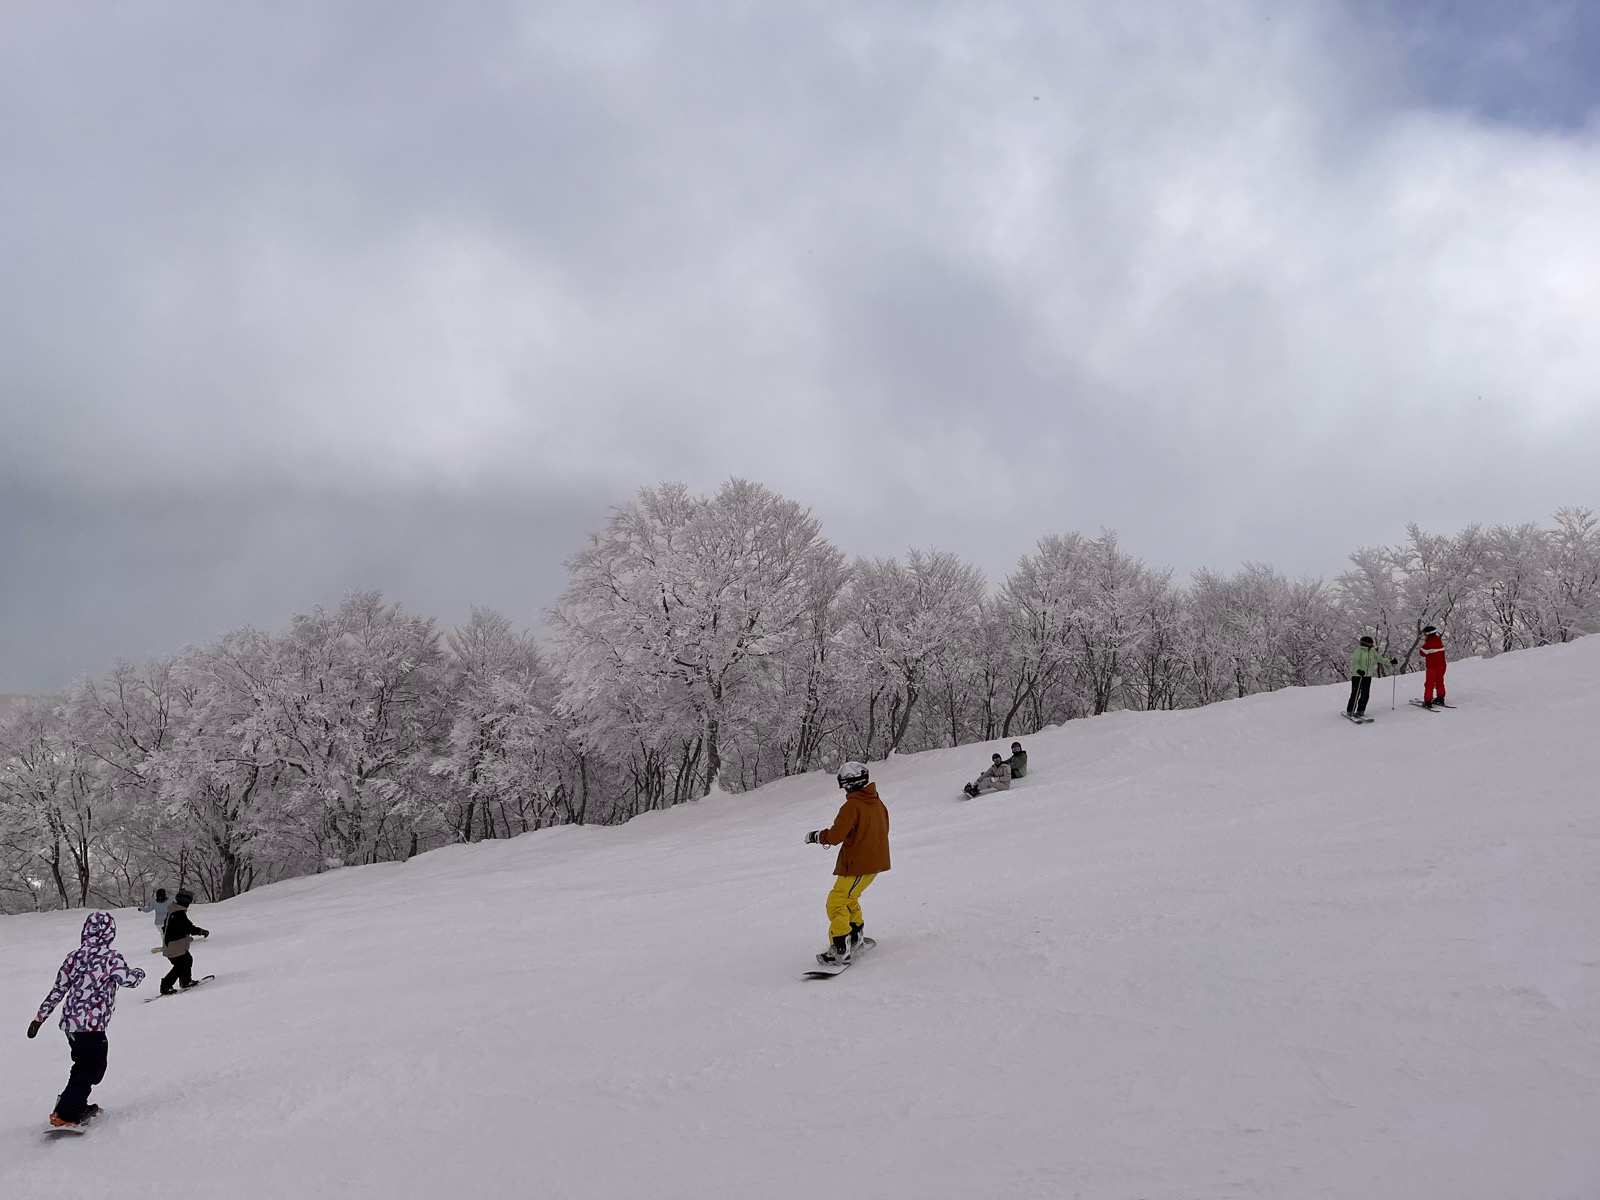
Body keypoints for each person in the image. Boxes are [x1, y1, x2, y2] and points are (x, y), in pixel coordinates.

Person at [27, 911, 145, 1130]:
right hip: (91, 1026)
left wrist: (39, 1018)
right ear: (110, 933)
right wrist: (139, 972)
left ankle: (72, 1103)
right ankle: (66, 1113)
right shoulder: (111, 957)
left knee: (82, 1064)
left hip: (71, 1025)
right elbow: (129, 980)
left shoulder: (74, 957)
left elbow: (59, 989)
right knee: (93, 1067)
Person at [805, 761, 890, 966]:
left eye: (844, 785)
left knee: (836, 901)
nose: (844, 789)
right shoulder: (876, 802)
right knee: (849, 898)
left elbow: (835, 836)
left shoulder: (852, 805)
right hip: (873, 863)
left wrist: (817, 836)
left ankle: (841, 948)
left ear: (850, 784)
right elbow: (884, 828)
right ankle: (855, 935)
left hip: (858, 865)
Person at [158, 890, 210, 995]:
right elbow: (188, 927)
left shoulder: (173, 911)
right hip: (174, 945)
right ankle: (166, 985)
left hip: (173, 945)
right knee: (181, 965)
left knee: (186, 961)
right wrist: (201, 931)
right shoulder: (178, 914)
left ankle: (185, 981)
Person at [1347, 635, 1397, 718]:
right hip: (1358, 675)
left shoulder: (1372, 651)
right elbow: (1355, 662)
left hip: (1367, 675)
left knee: (1365, 694)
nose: (1372, 645)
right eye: (1370, 644)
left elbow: (1379, 658)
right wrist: (1358, 670)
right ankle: (1350, 710)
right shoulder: (1358, 651)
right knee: (1355, 693)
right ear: (1365, 644)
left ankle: (1360, 710)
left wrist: (1390, 662)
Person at [1419, 624, 1448, 708]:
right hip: (1442, 666)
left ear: (1428, 634)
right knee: (1440, 681)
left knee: (1430, 684)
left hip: (1432, 667)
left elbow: (1422, 653)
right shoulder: (1439, 640)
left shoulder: (1429, 643)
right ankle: (1440, 698)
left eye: (1424, 634)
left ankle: (1428, 701)